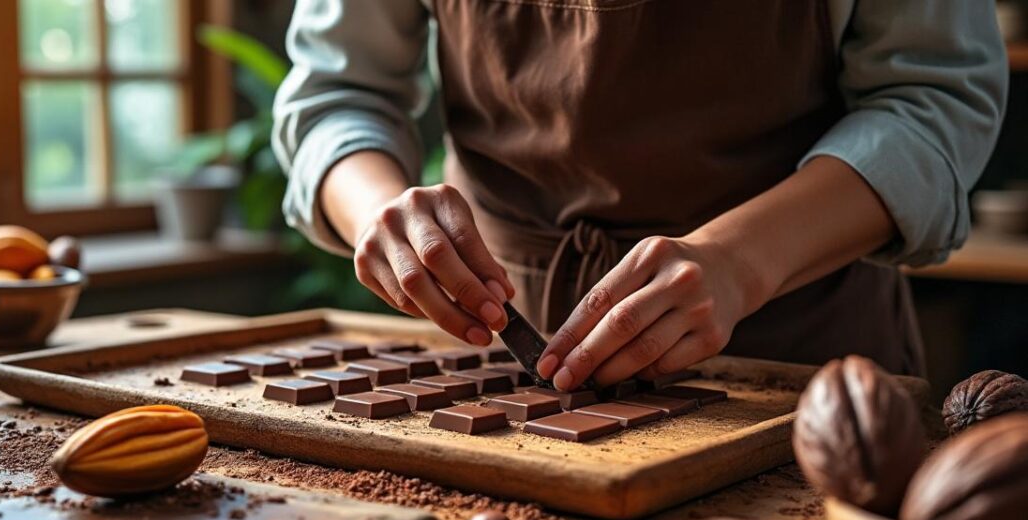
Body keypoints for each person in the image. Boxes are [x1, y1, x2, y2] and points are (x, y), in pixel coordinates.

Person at [273, 0, 1006, 391]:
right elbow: (338, 95)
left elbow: (932, 100)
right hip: (489, 356)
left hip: (798, 358)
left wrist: (739, 261)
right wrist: (378, 210)